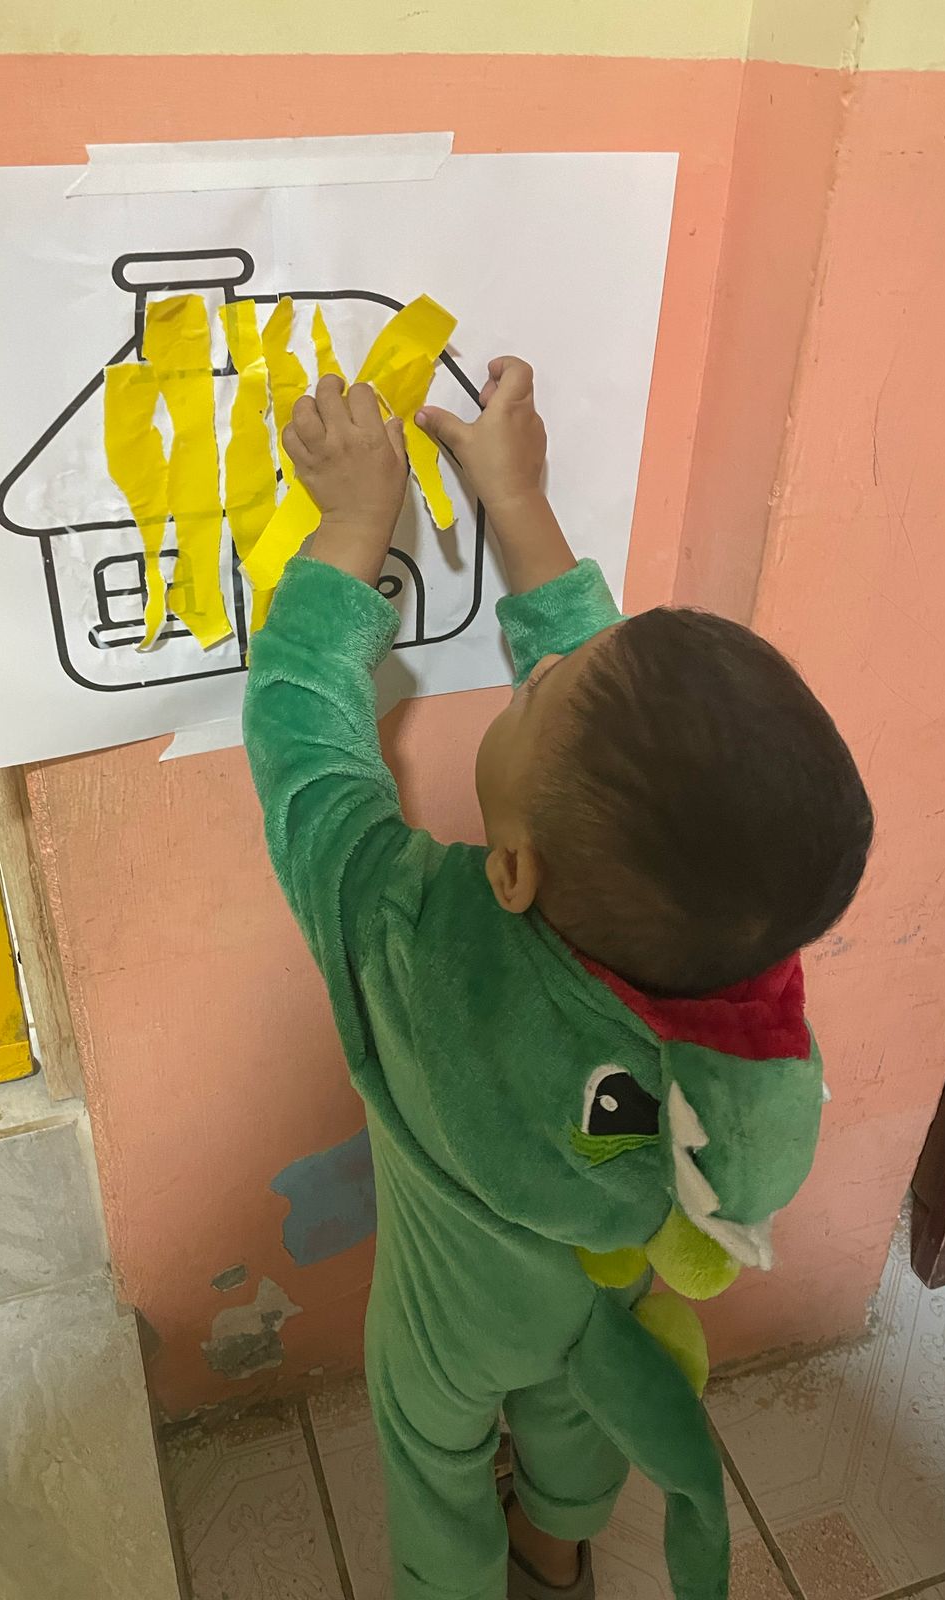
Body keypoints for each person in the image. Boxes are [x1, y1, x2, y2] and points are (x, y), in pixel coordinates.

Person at [242, 358, 873, 1600]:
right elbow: (622, 727)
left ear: (515, 869)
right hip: (604, 1281)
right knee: (582, 1397)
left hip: (454, 1310)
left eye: (531, 693)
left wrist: (355, 525)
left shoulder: (419, 940)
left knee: (430, 1441)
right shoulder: (738, 985)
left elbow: (307, 754)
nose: (531, 672)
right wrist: (519, 503)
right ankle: (557, 1543)